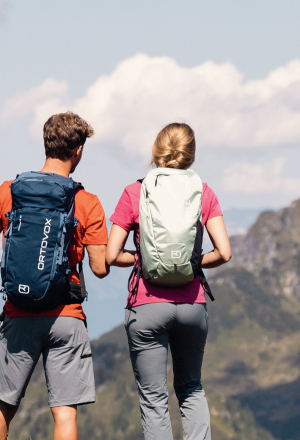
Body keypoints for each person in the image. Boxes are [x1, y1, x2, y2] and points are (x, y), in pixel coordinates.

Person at [0, 112, 109, 440]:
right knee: (65, 413)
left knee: (3, 406)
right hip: (66, 316)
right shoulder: (87, 202)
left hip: (19, 312)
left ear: (46, 145)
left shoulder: (10, 191)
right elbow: (100, 268)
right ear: (78, 151)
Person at [105, 122, 232, 440]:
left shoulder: (135, 192)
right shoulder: (204, 192)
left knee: (153, 400)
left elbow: (111, 254)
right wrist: (193, 263)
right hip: (192, 305)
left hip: (147, 306)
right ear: (190, 155)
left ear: (156, 153)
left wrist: (143, 260)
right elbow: (224, 253)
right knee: (191, 387)